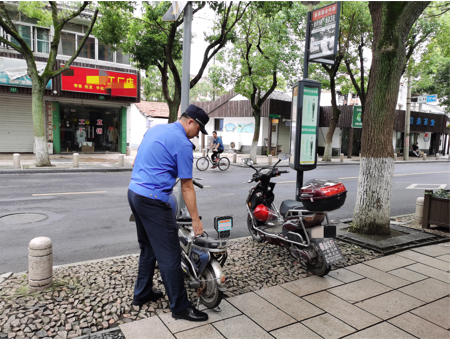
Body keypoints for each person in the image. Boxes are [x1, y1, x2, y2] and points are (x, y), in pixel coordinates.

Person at [128, 104, 209, 322]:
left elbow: (136, 161)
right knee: (170, 255)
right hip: (154, 201)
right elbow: (187, 187)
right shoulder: (183, 144)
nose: (197, 135)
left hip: (134, 193)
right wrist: (195, 221)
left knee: (148, 247)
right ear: (190, 121)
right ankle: (180, 307)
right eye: (199, 130)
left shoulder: (156, 129)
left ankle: (142, 293)